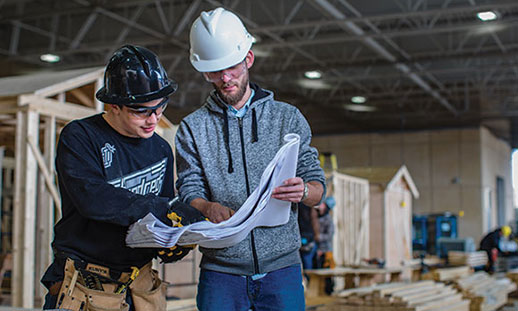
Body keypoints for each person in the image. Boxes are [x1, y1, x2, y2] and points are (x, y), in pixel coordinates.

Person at [175, 7, 326, 311]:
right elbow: (189, 188)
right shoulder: (193, 127)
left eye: (231, 67)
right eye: (214, 72)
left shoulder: (287, 119)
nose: (225, 78)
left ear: (248, 59)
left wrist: (305, 191)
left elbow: (317, 185)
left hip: (282, 271)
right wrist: (207, 207)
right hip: (221, 273)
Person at [40, 45, 190, 311]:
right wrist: (161, 210)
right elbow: (93, 198)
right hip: (85, 285)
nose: (154, 119)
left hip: (139, 287)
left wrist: (175, 240)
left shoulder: (161, 149)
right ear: (113, 105)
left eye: (160, 107)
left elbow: (161, 212)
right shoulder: (81, 137)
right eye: (141, 111)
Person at [316, 196, 336, 295]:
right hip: (318, 249)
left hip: (326, 250)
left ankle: (329, 291)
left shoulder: (328, 219)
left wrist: (318, 237)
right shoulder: (317, 216)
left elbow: (329, 235)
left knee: (327, 272)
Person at [298, 203, 319, 271]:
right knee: (307, 262)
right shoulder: (310, 206)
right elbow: (314, 221)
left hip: (300, 235)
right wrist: (316, 235)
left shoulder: (297, 205)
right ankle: (308, 278)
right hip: (307, 236)